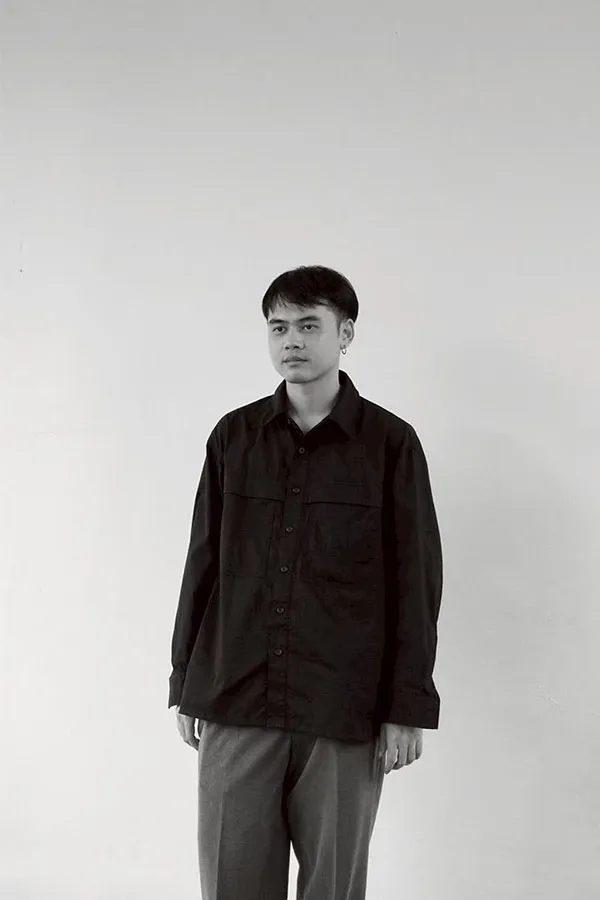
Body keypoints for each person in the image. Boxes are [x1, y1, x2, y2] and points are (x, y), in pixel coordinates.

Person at [168, 264, 444, 900]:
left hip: (343, 707)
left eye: (309, 325)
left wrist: (407, 707)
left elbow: (417, 583)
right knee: (232, 883)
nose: (291, 339)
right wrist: (185, 680)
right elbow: (202, 563)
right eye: (278, 327)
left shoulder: (391, 445)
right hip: (235, 696)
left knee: (334, 888)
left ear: (345, 333)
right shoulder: (234, 438)